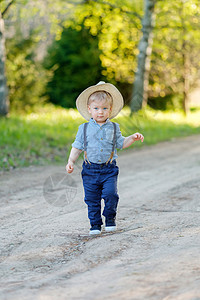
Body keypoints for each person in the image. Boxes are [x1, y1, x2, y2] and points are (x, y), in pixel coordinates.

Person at [66, 81, 144, 235]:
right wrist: (71, 161)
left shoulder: (114, 127)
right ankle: (95, 224)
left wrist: (132, 138)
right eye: (96, 108)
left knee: (111, 195)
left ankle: (110, 219)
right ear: (89, 109)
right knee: (92, 199)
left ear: (110, 109)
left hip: (109, 169)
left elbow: (121, 143)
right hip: (90, 170)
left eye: (104, 108)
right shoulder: (84, 128)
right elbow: (78, 146)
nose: (100, 112)